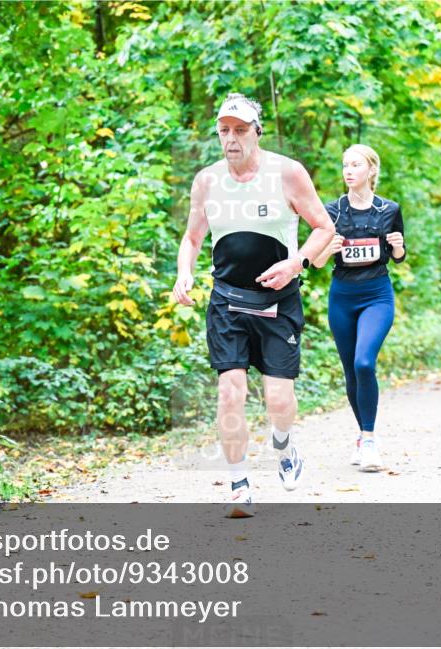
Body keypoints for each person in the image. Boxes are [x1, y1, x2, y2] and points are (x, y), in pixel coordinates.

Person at [172, 93, 334, 517]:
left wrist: (295, 263)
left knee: (278, 399)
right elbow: (191, 238)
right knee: (230, 392)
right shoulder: (207, 181)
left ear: (257, 132)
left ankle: (283, 444)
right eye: (224, 131)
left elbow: (323, 228)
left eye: (240, 130)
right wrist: (183, 272)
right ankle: (239, 483)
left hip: (278, 303)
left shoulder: (288, 173)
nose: (231, 139)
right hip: (227, 302)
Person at [312, 144, 406, 472]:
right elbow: (317, 261)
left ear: (371, 170)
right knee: (351, 369)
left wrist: (398, 248)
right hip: (342, 296)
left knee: (364, 362)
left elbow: (398, 256)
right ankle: (362, 435)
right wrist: (330, 248)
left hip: (377, 294)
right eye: (344, 165)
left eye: (355, 165)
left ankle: (369, 440)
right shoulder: (332, 210)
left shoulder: (389, 209)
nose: (348, 170)